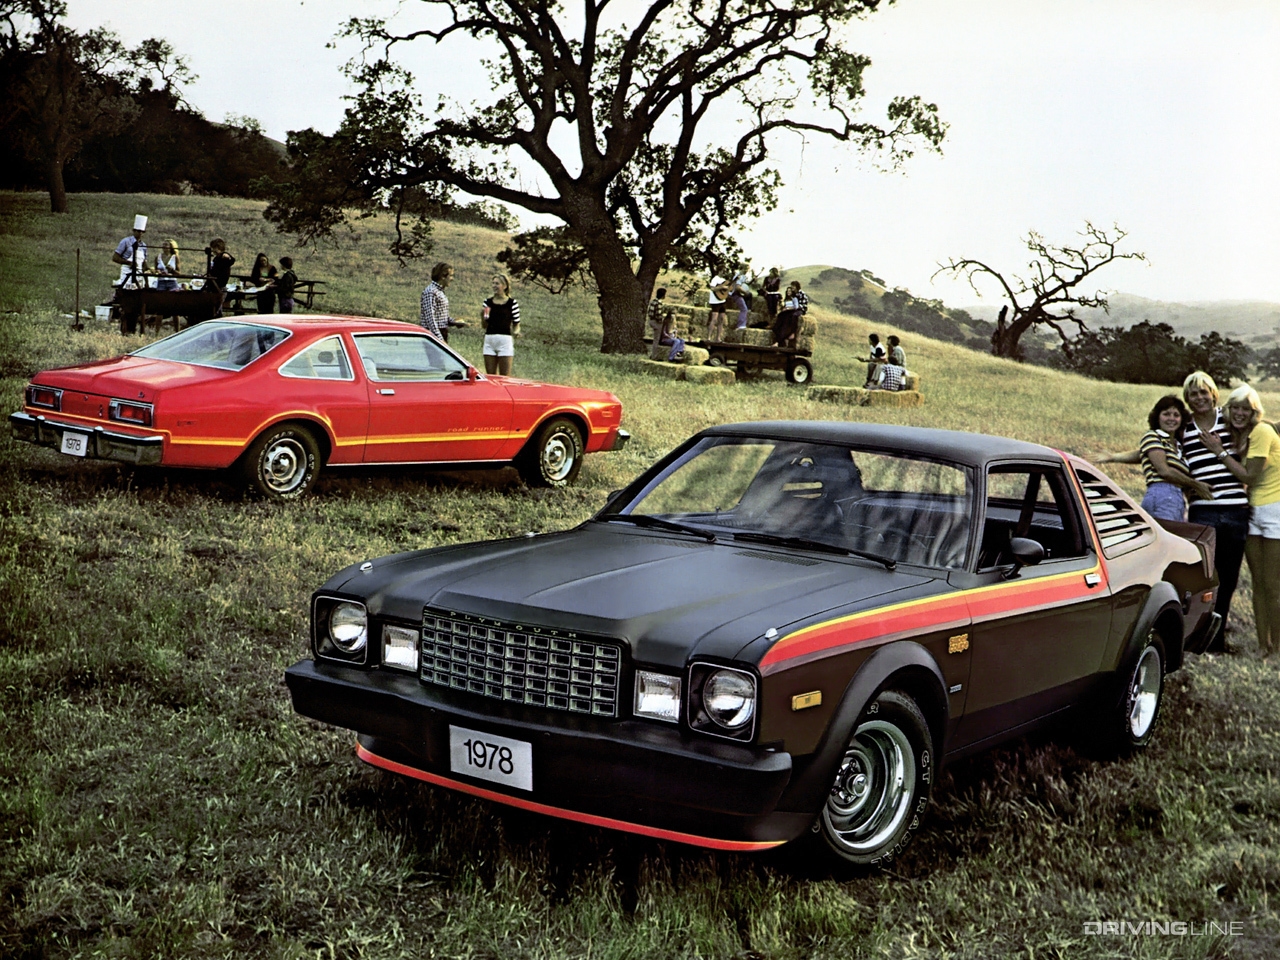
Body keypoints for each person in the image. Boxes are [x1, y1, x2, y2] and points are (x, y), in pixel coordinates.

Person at [1096, 372, 1251, 650]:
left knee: (1228, 578)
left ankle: (1216, 642)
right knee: (1205, 578)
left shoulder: (1229, 419)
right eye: (1193, 394)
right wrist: (1113, 457)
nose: (1199, 397)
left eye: (1204, 392)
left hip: (1236, 509)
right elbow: (1155, 450)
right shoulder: (1184, 427)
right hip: (1203, 512)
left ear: (1214, 394)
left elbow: (1258, 432)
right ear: (1187, 399)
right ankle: (1193, 636)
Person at [1100, 395, 1213, 522]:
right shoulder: (1153, 436)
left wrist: (1114, 457)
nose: (1171, 419)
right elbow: (1164, 470)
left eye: (1176, 415)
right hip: (1161, 494)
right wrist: (1196, 485)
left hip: (1177, 499)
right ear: (1157, 417)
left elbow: (1141, 454)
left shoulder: (1177, 445)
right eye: (1166, 414)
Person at [1229, 385, 1280, 656]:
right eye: (1234, 407)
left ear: (1254, 411)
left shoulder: (1261, 431)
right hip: (1253, 512)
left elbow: (1249, 477)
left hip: (1275, 511)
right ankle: (1263, 645)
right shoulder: (1241, 435)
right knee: (1258, 583)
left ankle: (1278, 645)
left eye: (1244, 409)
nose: (1239, 413)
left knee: (1273, 585)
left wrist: (1219, 453)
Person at [481, 273, 521, 375]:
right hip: (490, 340)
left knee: (504, 377)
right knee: (491, 376)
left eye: (497, 283)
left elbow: (516, 324)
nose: (494, 286)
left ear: (505, 286)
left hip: (505, 341)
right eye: (493, 283)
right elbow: (484, 325)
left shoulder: (512, 303)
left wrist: (516, 332)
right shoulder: (487, 302)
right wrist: (482, 316)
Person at [420, 262, 456, 340]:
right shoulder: (431, 291)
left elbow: (439, 315)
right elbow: (430, 318)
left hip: (442, 331)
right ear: (443, 276)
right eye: (451, 276)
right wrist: (438, 338)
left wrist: (454, 322)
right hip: (433, 333)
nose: (452, 279)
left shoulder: (439, 291)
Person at [647, 287, 685, 362]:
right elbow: (658, 315)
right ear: (663, 295)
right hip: (656, 322)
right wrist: (662, 320)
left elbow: (650, 312)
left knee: (656, 339)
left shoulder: (653, 301)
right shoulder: (659, 303)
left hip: (651, 320)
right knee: (656, 340)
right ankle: (654, 356)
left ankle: (655, 355)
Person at [112, 214, 148, 289]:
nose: (140, 233)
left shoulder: (143, 245)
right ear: (134, 231)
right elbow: (115, 257)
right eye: (138, 231)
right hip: (127, 272)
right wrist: (129, 263)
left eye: (142, 231)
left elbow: (144, 263)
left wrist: (147, 279)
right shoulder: (126, 241)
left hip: (139, 274)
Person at [204, 238, 235, 317]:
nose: (213, 250)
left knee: (217, 309)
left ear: (219, 248)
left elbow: (231, 260)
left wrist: (227, 256)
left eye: (215, 248)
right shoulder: (216, 259)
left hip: (219, 287)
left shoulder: (223, 257)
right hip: (213, 286)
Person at [772, 280, 807, 348]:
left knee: (794, 316)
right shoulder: (791, 296)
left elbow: (798, 306)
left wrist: (790, 309)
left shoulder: (801, 294)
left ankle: (793, 332)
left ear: (797, 287)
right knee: (781, 316)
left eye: (793, 286)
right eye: (791, 286)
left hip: (800, 309)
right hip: (791, 309)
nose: (792, 288)